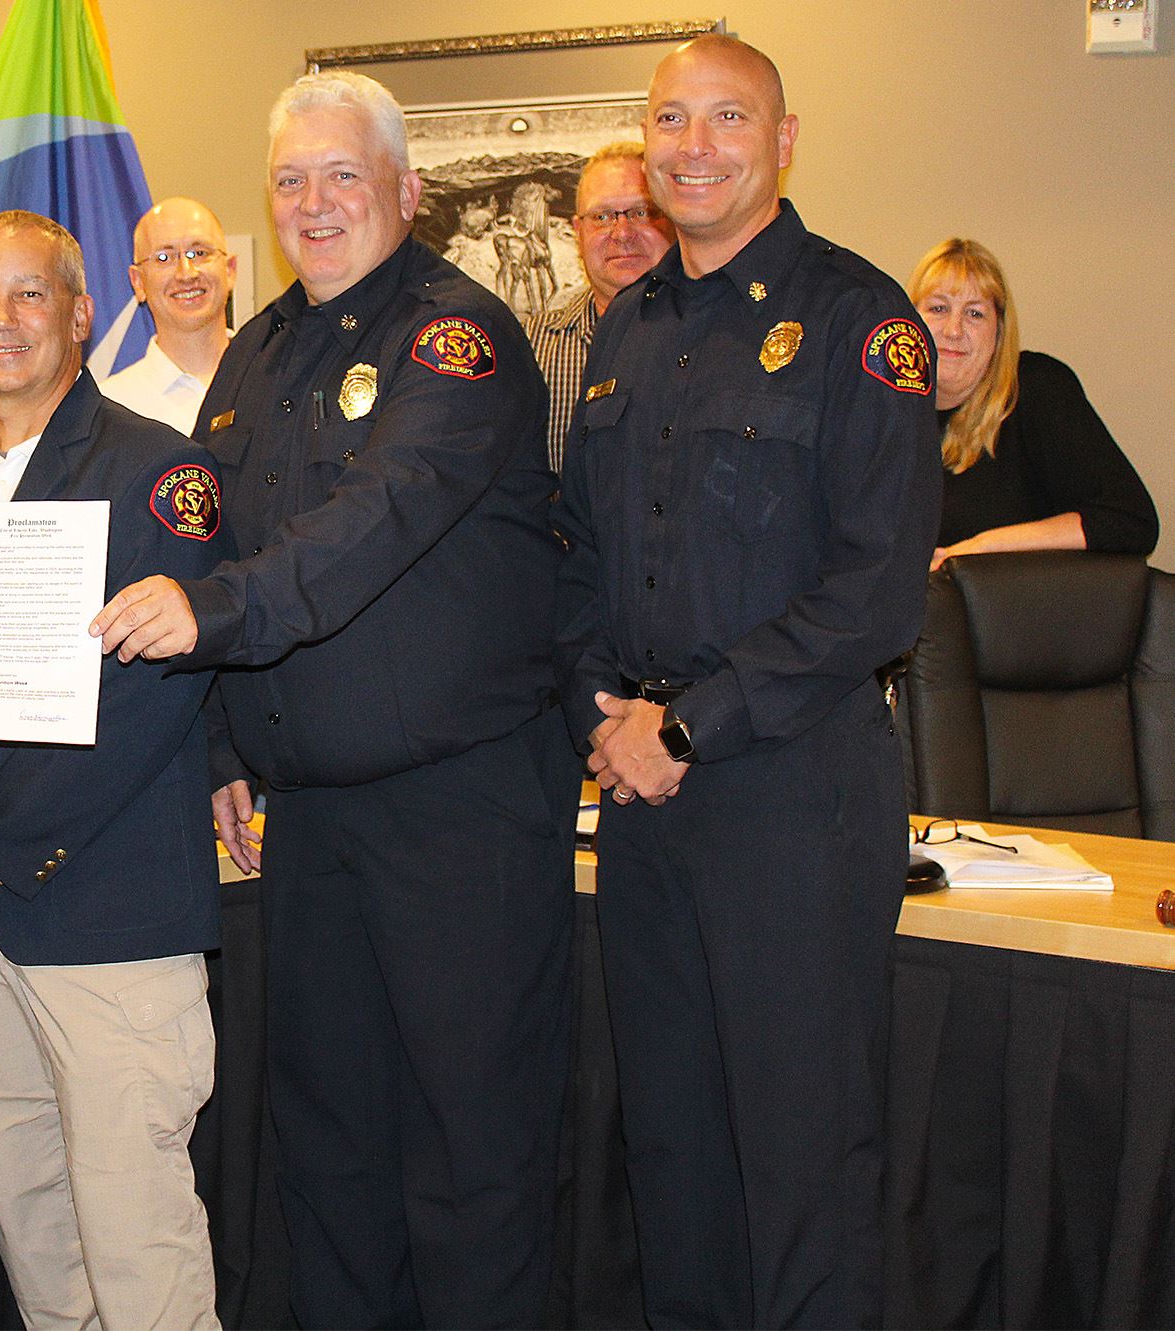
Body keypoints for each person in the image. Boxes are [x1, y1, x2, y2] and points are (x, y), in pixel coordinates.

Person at [91, 73, 580, 1329]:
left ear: (407, 192)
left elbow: (381, 517)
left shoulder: (456, 337)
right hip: (309, 825)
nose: (314, 205)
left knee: (475, 1146)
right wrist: (217, 743)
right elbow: (196, 539)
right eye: (292, 181)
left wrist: (215, 616)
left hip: (459, 813)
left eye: (342, 176)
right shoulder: (253, 354)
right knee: (332, 1148)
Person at [551, 35, 941, 1327]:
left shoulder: (858, 320)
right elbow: (582, 554)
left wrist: (690, 723)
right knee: (672, 1151)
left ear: (784, 141)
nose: (696, 144)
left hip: (792, 795)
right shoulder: (629, 327)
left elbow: (876, 587)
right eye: (672, 118)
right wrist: (604, 712)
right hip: (651, 803)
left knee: (800, 1163)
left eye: (729, 117)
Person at [0, 210, 232, 1330]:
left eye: (33, 294)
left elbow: (163, 697)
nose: (4, 320)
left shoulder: (162, 473)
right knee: (37, 1243)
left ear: (80, 312)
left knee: (142, 1251)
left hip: (110, 918)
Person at [909, 237, 1158, 569]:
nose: (954, 330)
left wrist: (974, 551)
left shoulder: (1036, 388)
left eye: (975, 313)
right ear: (908, 323)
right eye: (939, 308)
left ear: (999, 332)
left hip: (1017, 615)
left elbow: (1130, 520)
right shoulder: (883, 411)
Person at [523, 141, 675, 474]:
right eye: (602, 216)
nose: (622, 233)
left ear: (673, 220)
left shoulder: (712, 336)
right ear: (578, 232)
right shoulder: (531, 346)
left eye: (642, 213)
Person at [100, 196, 236, 434]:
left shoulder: (275, 381)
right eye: (164, 257)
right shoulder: (108, 409)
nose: (186, 273)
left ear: (230, 270)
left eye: (199, 252)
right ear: (138, 282)